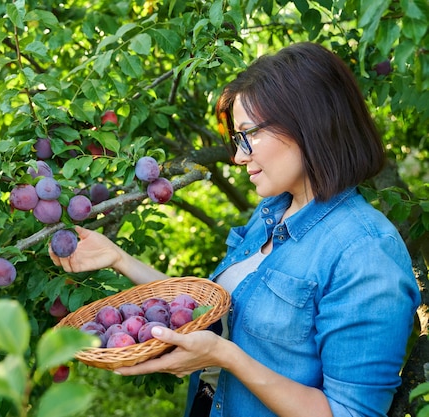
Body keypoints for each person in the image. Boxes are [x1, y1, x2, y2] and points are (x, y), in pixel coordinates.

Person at [50, 42, 420, 417]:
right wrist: (119, 258)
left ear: (308, 123)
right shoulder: (271, 214)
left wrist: (227, 357)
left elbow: (350, 413)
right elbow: (203, 311)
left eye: (248, 134)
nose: (238, 156)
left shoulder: (367, 253)